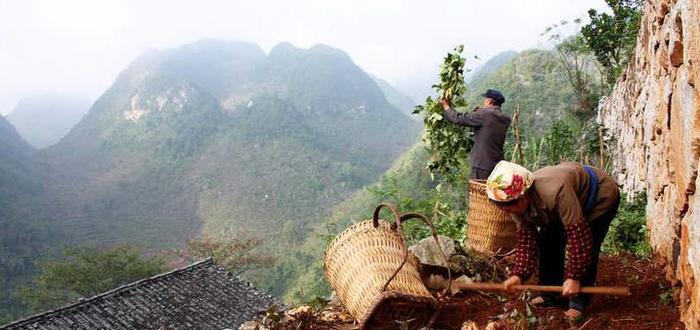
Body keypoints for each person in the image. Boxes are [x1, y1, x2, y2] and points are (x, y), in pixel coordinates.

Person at [484, 161, 620, 318]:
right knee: (548, 240)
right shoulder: (514, 203)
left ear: (523, 198)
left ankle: (578, 302)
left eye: (508, 209)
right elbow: (527, 239)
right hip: (564, 207)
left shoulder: (556, 191)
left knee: (589, 241)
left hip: (598, 198)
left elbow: (579, 239)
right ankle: (550, 294)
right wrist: (518, 275)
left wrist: (574, 277)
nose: (507, 212)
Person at [439, 89, 511, 180]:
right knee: (492, 192)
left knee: (478, 191)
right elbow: (487, 126)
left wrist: (446, 106)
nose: (483, 102)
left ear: (489, 101)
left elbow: (458, 119)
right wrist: (479, 112)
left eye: (485, 100)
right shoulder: (506, 119)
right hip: (498, 165)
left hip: (482, 165)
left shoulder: (484, 114)